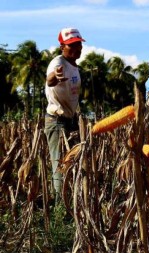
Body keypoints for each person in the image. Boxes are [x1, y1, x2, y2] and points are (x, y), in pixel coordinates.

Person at [45, 27, 85, 199]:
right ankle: (59, 203)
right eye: (72, 45)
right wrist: (56, 76)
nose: (76, 48)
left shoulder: (74, 66)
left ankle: (71, 199)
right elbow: (50, 79)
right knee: (59, 162)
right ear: (62, 46)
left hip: (71, 120)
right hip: (57, 120)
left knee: (72, 161)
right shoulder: (58, 63)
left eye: (78, 45)